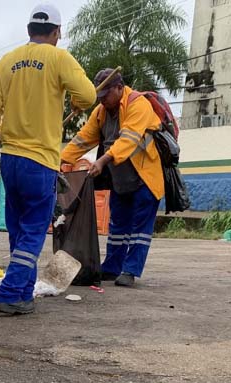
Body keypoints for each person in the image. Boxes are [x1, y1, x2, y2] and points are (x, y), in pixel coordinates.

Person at [0, 3, 96, 315]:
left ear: (29, 30)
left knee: (19, 230)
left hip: (10, 159)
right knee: (33, 231)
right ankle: (9, 294)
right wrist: (70, 99)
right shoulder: (59, 57)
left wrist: (3, 128)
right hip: (40, 160)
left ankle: (22, 293)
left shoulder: (6, 62)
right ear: (57, 32)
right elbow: (87, 96)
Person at [61, 69, 165, 288]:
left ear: (119, 88)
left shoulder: (138, 104)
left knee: (139, 229)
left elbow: (128, 139)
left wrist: (101, 161)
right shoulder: (100, 112)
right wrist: (59, 160)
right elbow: (82, 140)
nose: (103, 101)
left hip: (145, 178)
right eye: (100, 97)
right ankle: (112, 267)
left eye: (106, 95)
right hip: (120, 180)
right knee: (118, 225)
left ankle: (130, 270)